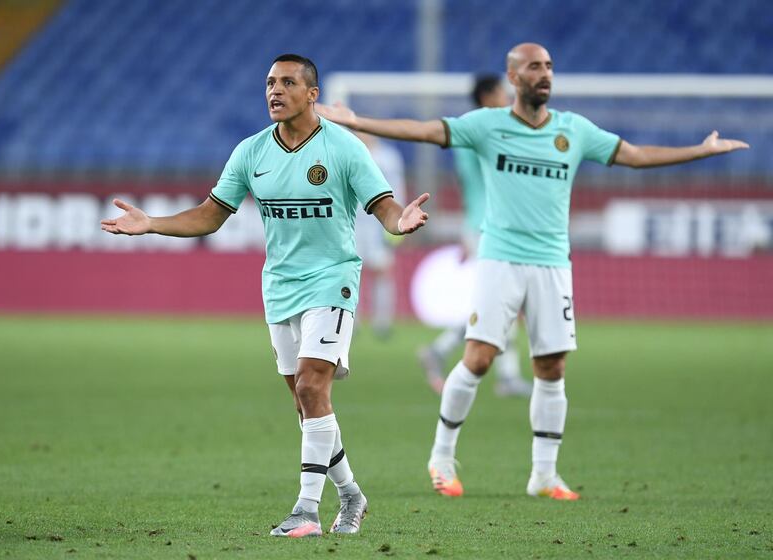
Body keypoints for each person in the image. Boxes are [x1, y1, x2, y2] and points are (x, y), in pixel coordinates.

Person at [317, 43, 748, 500]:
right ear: (512, 77)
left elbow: (636, 156)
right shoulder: (488, 125)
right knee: (480, 357)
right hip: (499, 258)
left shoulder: (572, 130)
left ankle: (544, 474)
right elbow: (424, 131)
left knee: (552, 365)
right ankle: (441, 457)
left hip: (553, 264)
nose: (544, 74)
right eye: (534, 67)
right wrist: (358, 122)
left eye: (548, 67)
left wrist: (700, 151)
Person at [101, 54, 430, 536]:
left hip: (332, 279)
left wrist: (400, 221)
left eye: (288, 82)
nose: (275, 91)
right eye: (270, 83)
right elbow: (210, 215)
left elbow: (383, 205)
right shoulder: (251, 151)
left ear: (312, 94)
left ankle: (305, 512)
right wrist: (151, 223)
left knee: (313, 386)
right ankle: (352, 495)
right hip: (279, 285)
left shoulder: (344, 148)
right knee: (305, 402)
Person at [418, 74, 532, 398]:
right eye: (500, 92)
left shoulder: (471, 132)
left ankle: (445, 352)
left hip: (480, 225)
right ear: (487, 96)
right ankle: (448, 352)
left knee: (503, 305)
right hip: (490, 228)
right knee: (504, 304)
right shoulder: (484, 131)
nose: (507, 97)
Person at [354, 133, 406, 338]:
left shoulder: (389, 157)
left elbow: (397, 189)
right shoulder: (352, 152)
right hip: (354, 223)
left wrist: (400, 218)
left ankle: (382, 322)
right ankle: (352, 321)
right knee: (352, 273)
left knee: (382, 271)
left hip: (379, 222)